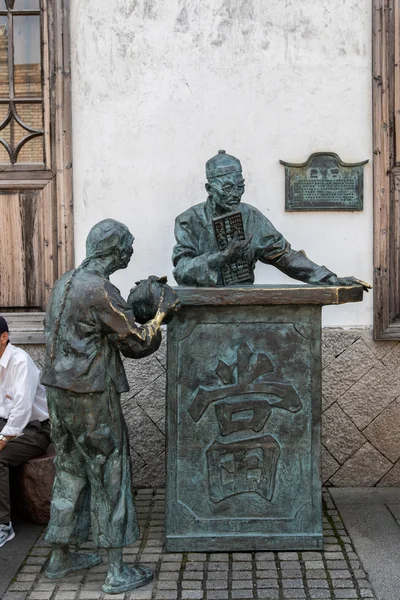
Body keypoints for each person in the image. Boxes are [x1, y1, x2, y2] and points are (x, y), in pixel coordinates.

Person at [41, 219, 178, 594]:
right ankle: (116, 570)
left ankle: (59, 556)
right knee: (109, 473)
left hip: (57, 391)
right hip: (90, 395)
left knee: (69, 469)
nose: (131, 254)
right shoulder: (100, 289)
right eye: (128, 248)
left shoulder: (64, 282)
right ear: (115, 251)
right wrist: (161, 313)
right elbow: (136, 343)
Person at [172, 150, 369, 290]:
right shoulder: (188, 221)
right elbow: (181, 271)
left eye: (240, 187)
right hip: (201, 306)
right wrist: (221, 258)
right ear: (209, 189)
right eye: (228, 188)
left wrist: (330, 279)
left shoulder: (251, 218)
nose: (236, 194)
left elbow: (284, 255)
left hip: (243, 301)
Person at [0, 316, 51, 548]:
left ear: (4, 337)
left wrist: (4, 437)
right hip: (5, 423)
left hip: (35, 429)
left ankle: (4, 525)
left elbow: (21, 408)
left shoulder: (20, 361)